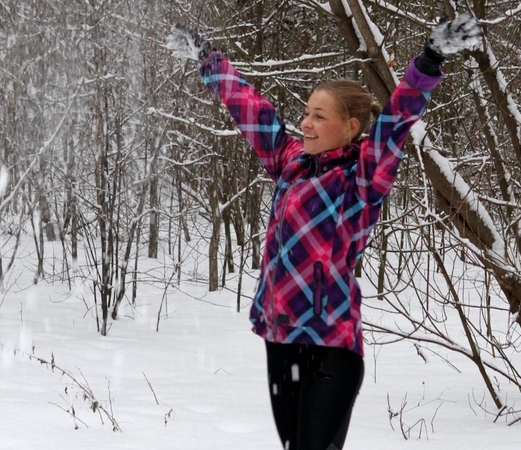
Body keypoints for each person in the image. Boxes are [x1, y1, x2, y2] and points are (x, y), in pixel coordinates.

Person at [169, 13, 482, 450]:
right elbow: (250, 109)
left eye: (319, 115)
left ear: (350, 127)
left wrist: (429, 61)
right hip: (280, 341)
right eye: (306, 113)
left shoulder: (363, 177)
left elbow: (395, 121)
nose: (306, 123)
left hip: (331, 348)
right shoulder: (290, 161)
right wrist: (208, 59)